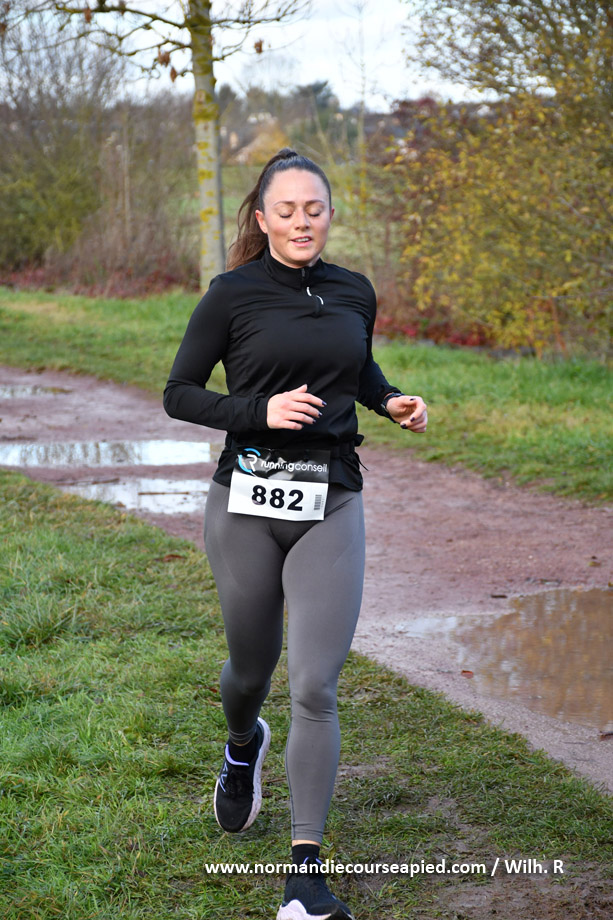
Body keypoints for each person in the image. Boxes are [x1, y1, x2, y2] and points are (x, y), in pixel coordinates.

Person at [164, 148, 427, 920]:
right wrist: (261, 412)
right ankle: (243, 742)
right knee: (251, 670)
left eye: (313, 209)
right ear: (262, 218)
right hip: (246, 504)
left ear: (329, 214)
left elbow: (356, 368)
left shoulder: (353, 290)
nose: (300, 222)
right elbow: (179, 393)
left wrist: (390, 400)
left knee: (314, 684)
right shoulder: (231, 295)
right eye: (285, 211)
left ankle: (304, 877)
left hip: (331, 498)